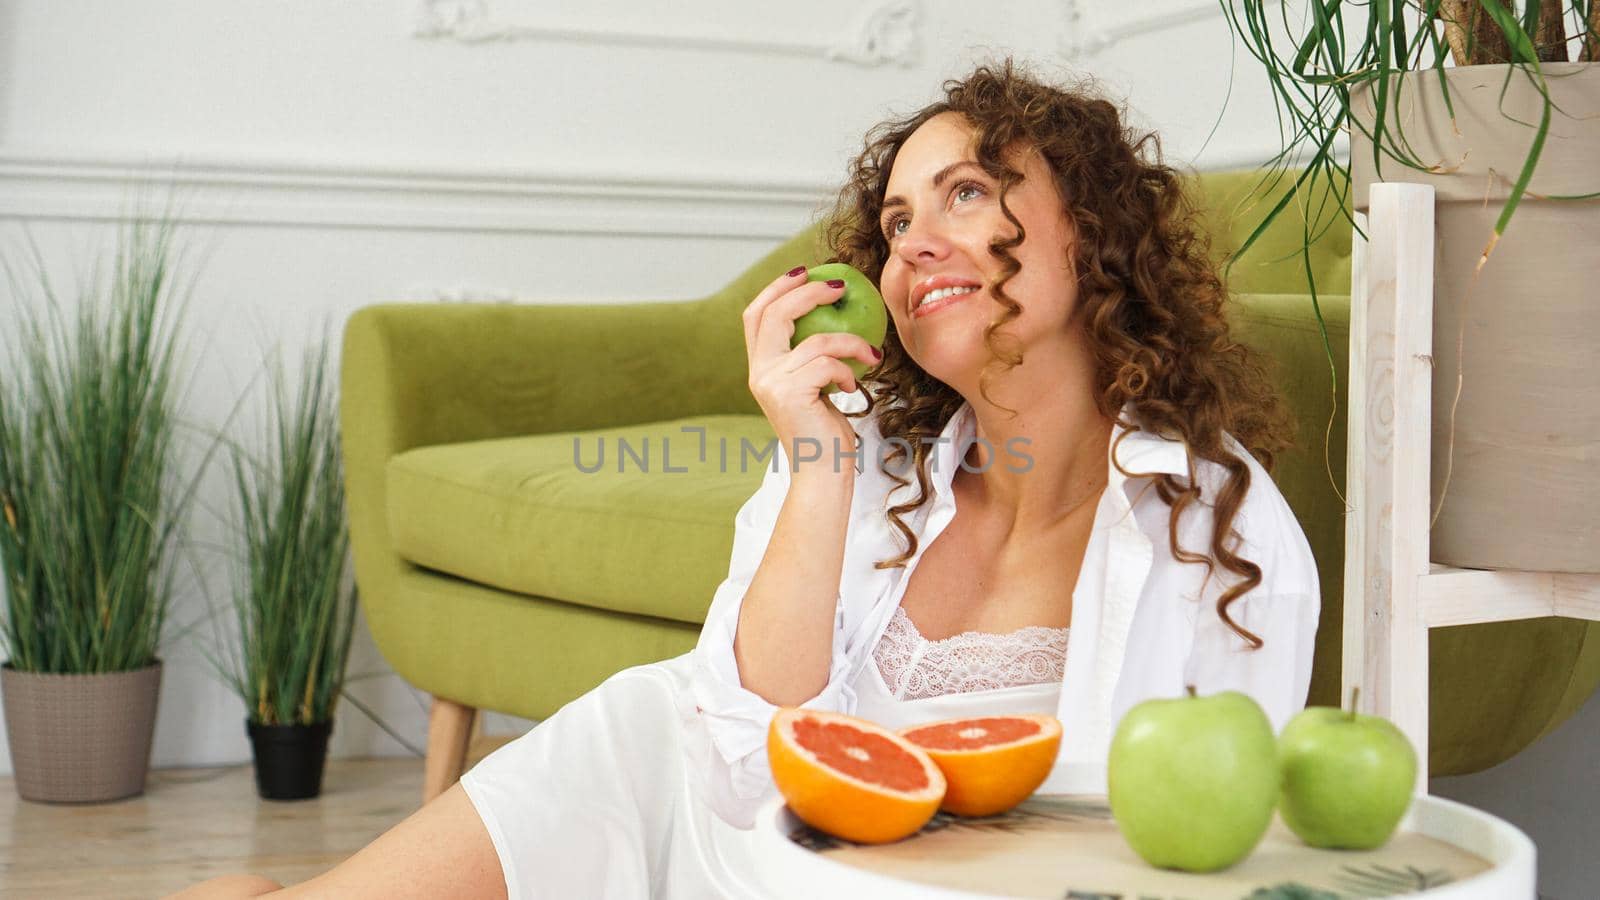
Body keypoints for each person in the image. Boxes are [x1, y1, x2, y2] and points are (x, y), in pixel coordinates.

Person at [171, 57, 1319, 900]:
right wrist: (816, 456)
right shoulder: (870, 465)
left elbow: (1203, 842)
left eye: (965, 193)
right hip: (738, 838)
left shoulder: (1215, 535)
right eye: (896, 218)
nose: (914, 241)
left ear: (1089, 224)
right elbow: (742, 727)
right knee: (645, 720)